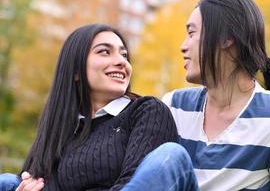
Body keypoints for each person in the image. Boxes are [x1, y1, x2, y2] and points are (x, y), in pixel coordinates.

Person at [107, 0, 270, 190]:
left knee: (172, 155)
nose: (183, 46)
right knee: (171, 157)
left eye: (192, 33)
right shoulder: (173, 107)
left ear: (226, 38)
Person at [0, 23, 179, 190]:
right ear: (76, 72)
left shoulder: (147, 111)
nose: (122, 62)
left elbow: (136, 184)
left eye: (124, 55)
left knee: (172, 153)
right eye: (104, 52)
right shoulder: (61, 129)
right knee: (7, 182)